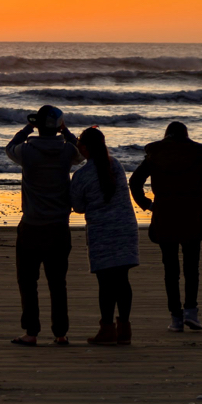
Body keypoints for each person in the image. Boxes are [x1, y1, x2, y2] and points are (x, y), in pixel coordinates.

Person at [129, 121, 202, 332]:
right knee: (192, 267)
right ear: (186, 135)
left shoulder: (155, 155)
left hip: (165, 215)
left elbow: (135, 182)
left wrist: (147, 204)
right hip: (193, 214)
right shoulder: (197, 154)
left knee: (170, 269)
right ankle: (191, 311)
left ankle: (176, 317)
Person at [5, 104, 84, 346]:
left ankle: (31, 332)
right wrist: (66, 131)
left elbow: (9, 148)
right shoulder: (67, 151)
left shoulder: (26, 151)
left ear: (38, 126)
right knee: (57, 282)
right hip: (58, 226)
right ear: (59, 126)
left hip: (31, 225)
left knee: (28, 281)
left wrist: (28, 128)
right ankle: (60, 333)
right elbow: (82, 152)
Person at [69, 127, 140, 345]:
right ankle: (124, 329)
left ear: (84, 148)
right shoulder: (115, 165)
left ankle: (107, 329)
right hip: (125, 228)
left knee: (106, 283)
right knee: (122, 280)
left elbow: (79, 207)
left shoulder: (81, 176)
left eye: (80, 143)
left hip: (102, 231)